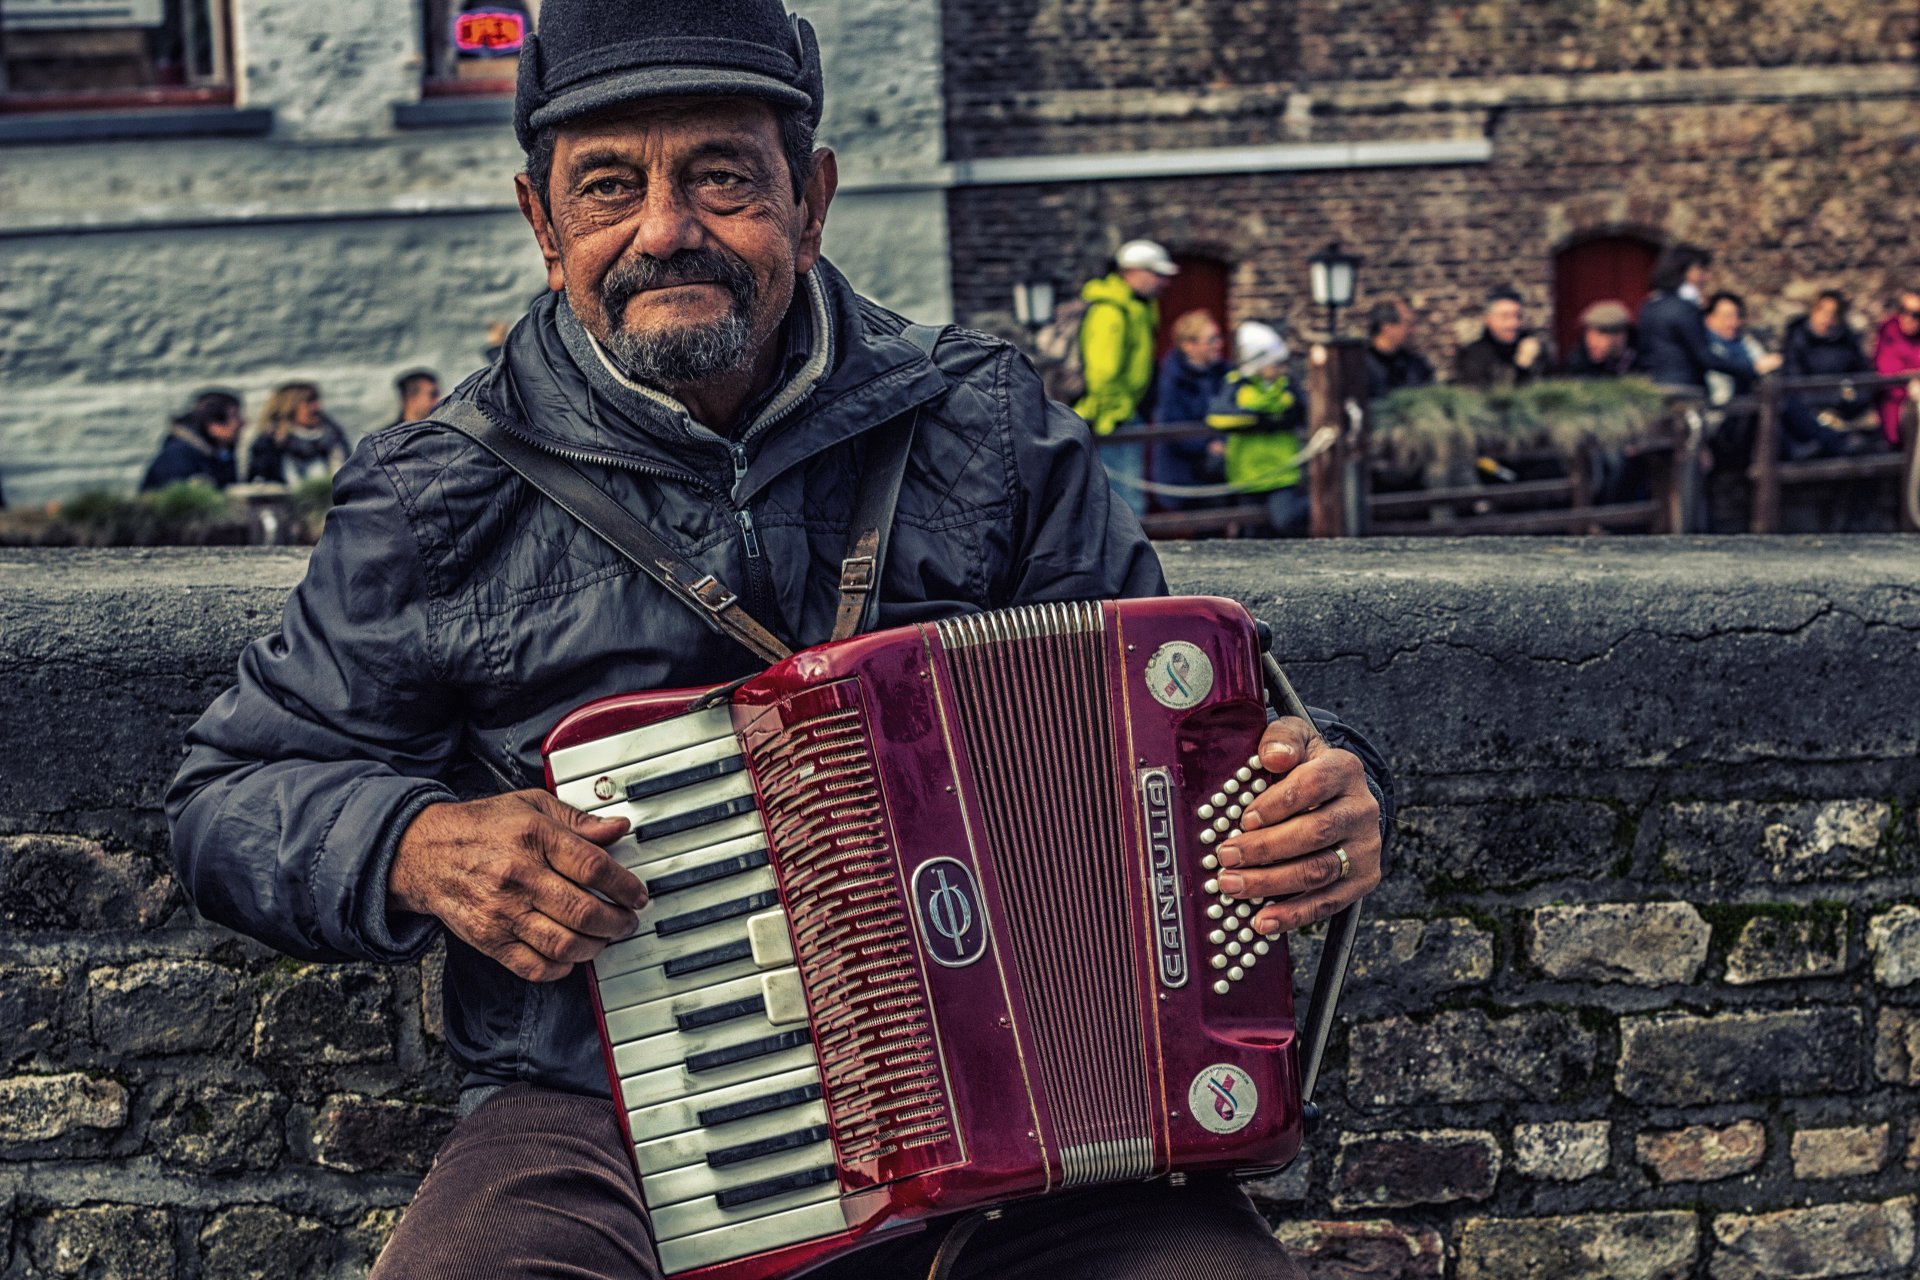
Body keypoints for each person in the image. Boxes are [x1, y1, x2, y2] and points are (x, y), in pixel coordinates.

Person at [164, 2, 1392, 1276]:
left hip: (1025, 1104)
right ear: (545, 227)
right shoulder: (436, 495)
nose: (664, 229)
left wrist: (1320, 794)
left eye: (720, 176)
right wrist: (417, 844)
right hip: (607, 1118)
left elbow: (1201, 724)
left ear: (810, 201)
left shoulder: (987, 424)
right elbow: (231, 796)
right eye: (606, 186)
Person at [1074, 238, 1178, 516]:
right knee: (1126, 502)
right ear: (1133, 271)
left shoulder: (1136, 307)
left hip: (1124, 413)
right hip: (1113, 418)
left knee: (1125, 498)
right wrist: (1116, 413)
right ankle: (1129, 558)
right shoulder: (1112, 311)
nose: (1163, 282)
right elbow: (1103, 372)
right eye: (1156, 274)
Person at [1207, 322, 1310, 537]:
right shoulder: (1236, 384)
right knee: (1251, 536)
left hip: (1282, 472)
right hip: (1248, 475)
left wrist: (1284, 418)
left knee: (1286, 521)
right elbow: (1218, 417)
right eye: (1275, 364)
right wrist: (1258, 421)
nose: (1281, 369)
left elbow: (1303, 411)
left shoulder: (1287, 385)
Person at [1636, 246, 1769, 393]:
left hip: (1653, 386)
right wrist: (1752, 368)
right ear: (1686, 271)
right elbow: (1705, 357)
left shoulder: (1649, 306)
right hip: (1685, 388)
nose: (1707, 277)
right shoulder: (1685, 309)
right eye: (1702, 270)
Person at [1148, 309, 1229, 511]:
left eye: (1218, 338)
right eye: (1210, 340)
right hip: (1185, 473)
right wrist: (1207, 445)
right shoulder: (1172, 380)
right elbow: (1171, 428)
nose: (1218, 345)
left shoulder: (1226, 374)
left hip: (1220, 470)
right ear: (1188, 346)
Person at [246, 382, 352, 486]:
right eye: (309, 401)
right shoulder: (269, 445)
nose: (317, 407)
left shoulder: (334, 437)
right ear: (289, 407)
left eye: (316, 400)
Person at [139, 389, 243, 492]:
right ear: (214, 426)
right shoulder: (178, 457)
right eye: (235, 417)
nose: (242, 423)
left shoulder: (220, 453)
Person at [1452, 289, 1546, 389]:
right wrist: (1521, 366)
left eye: (1518, 316)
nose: (1513, 323)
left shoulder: (1533, 348)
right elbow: (1485, 395)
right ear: (1488, 319)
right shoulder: (1473, 355)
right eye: (1505, 317)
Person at [1873, 289, 1920, 446]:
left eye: (1916, 314)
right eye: (1903, 311)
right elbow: (1888, 374)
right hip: (1897, 409)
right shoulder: (1889, 331)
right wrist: (1910, 385)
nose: (1908, 318)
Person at [1362, 299, 1434, 400]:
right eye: (1408, 324)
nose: (1414, 331)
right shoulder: (1361, 368)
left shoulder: (1417, 366)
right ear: (1387, 326)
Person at [1560, 299, 1638, 378]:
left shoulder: (1642, 356)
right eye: (1589, 334)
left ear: (1620, 337)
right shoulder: (1578, 362)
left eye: (1599, 335)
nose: (1591, 342)